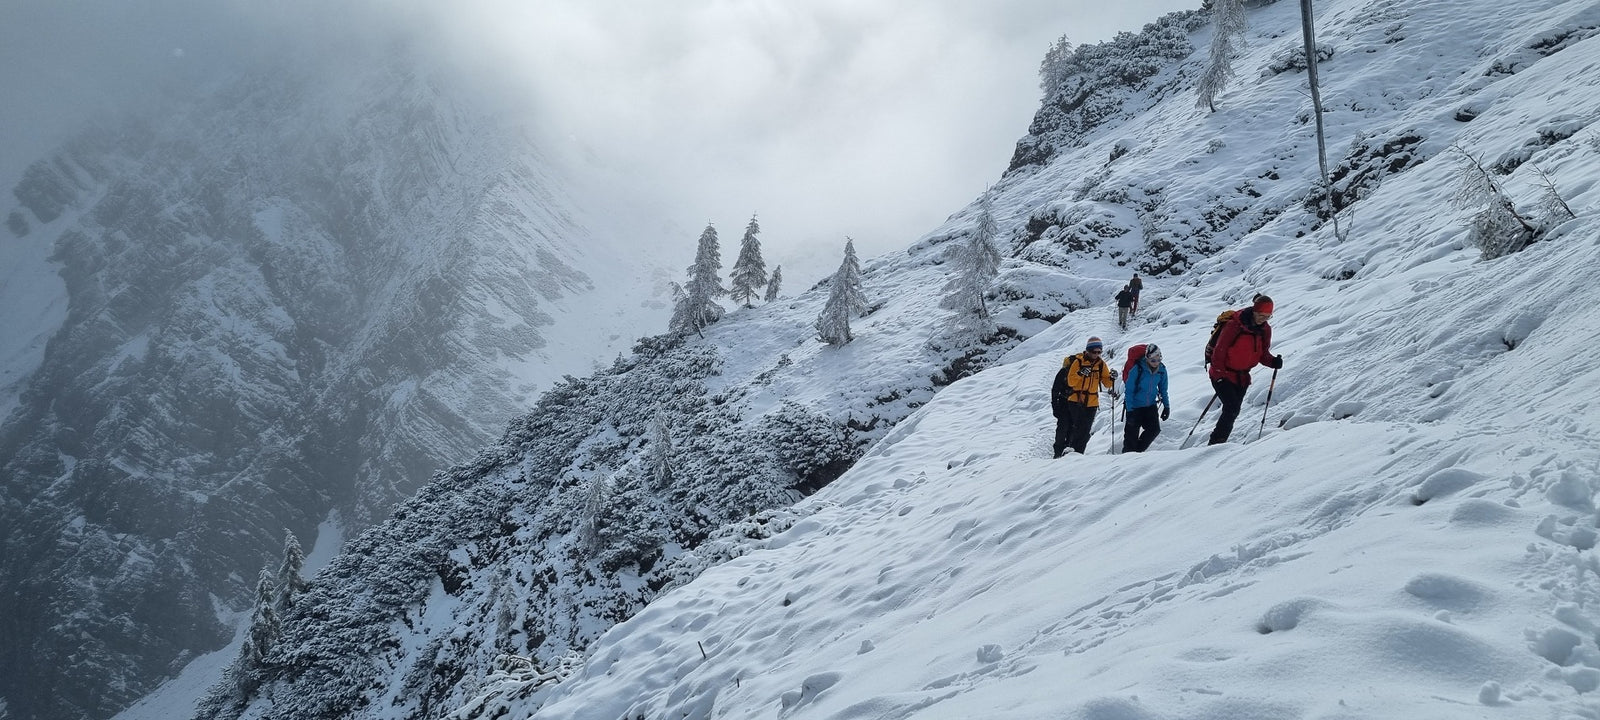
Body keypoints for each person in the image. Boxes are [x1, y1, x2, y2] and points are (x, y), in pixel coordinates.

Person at [1207, 294, 1283, 445]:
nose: (1263, 319)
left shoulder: (1265, 330)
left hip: (1242, 378)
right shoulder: (1234, 325)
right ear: (1254, 311)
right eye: (1261, 315)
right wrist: (1220, 376)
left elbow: (1262, 354)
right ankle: (1215, 444)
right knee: (1231, 408)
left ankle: (1219, 443)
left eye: (1268, 316)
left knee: (1233, 411)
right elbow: (1219, 352)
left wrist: (1273, 361)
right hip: (1221, 373)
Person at [1052, 337, 1118, 457]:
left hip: (1092, 402)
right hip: (1075, 400)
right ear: (1088, 350)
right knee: (1079, 428)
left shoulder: (1101, 364)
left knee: (1085, 431)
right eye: (1094, 351)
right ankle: (1072, 453)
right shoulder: (1078, 362)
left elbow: (1107, 384)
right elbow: (1071, 382)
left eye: (1099, 352)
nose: (1096, 354)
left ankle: (1077, 454)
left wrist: (1112, 378)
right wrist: (1080, 373)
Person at [1122, 343, 1170, 452]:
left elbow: (1163, 389)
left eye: (1158, 359)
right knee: (1130, 440)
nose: (1156, 362)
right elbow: (1129, 391)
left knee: (1154, 430)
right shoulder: (1137, 369)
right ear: (1147, 358)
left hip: (1150, 406)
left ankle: (1137, 455)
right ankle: (1127, 460)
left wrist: (1167, 406)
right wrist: (1129, 411)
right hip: (1134, 407)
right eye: (1153, 360)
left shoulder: (1162, 370)